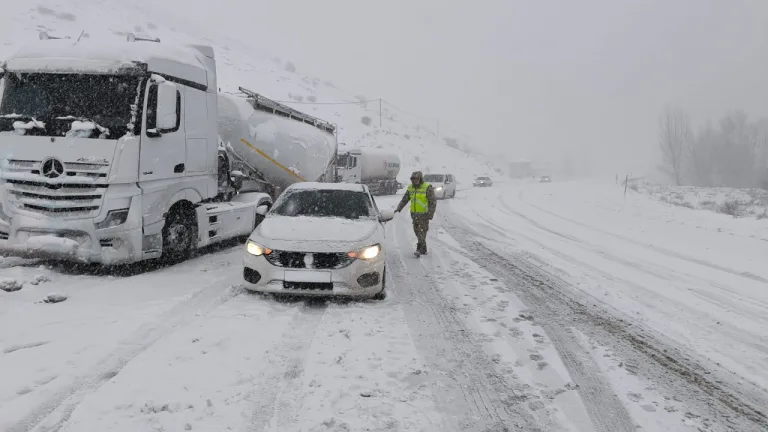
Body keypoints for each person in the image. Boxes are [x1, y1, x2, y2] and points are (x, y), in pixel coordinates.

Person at [395, 171, 437, 255]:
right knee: (416, 231)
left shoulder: (427, 187)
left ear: (420, 179)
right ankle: (423, 248)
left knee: (422, 231)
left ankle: (419, 248)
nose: (414, 180)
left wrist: (430, 214)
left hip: (424, 215)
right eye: (412, 179)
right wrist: (398, 208)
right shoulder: (411, 188)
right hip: (414, 215)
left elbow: (433, 202)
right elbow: (405, 199)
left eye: (416, 179)